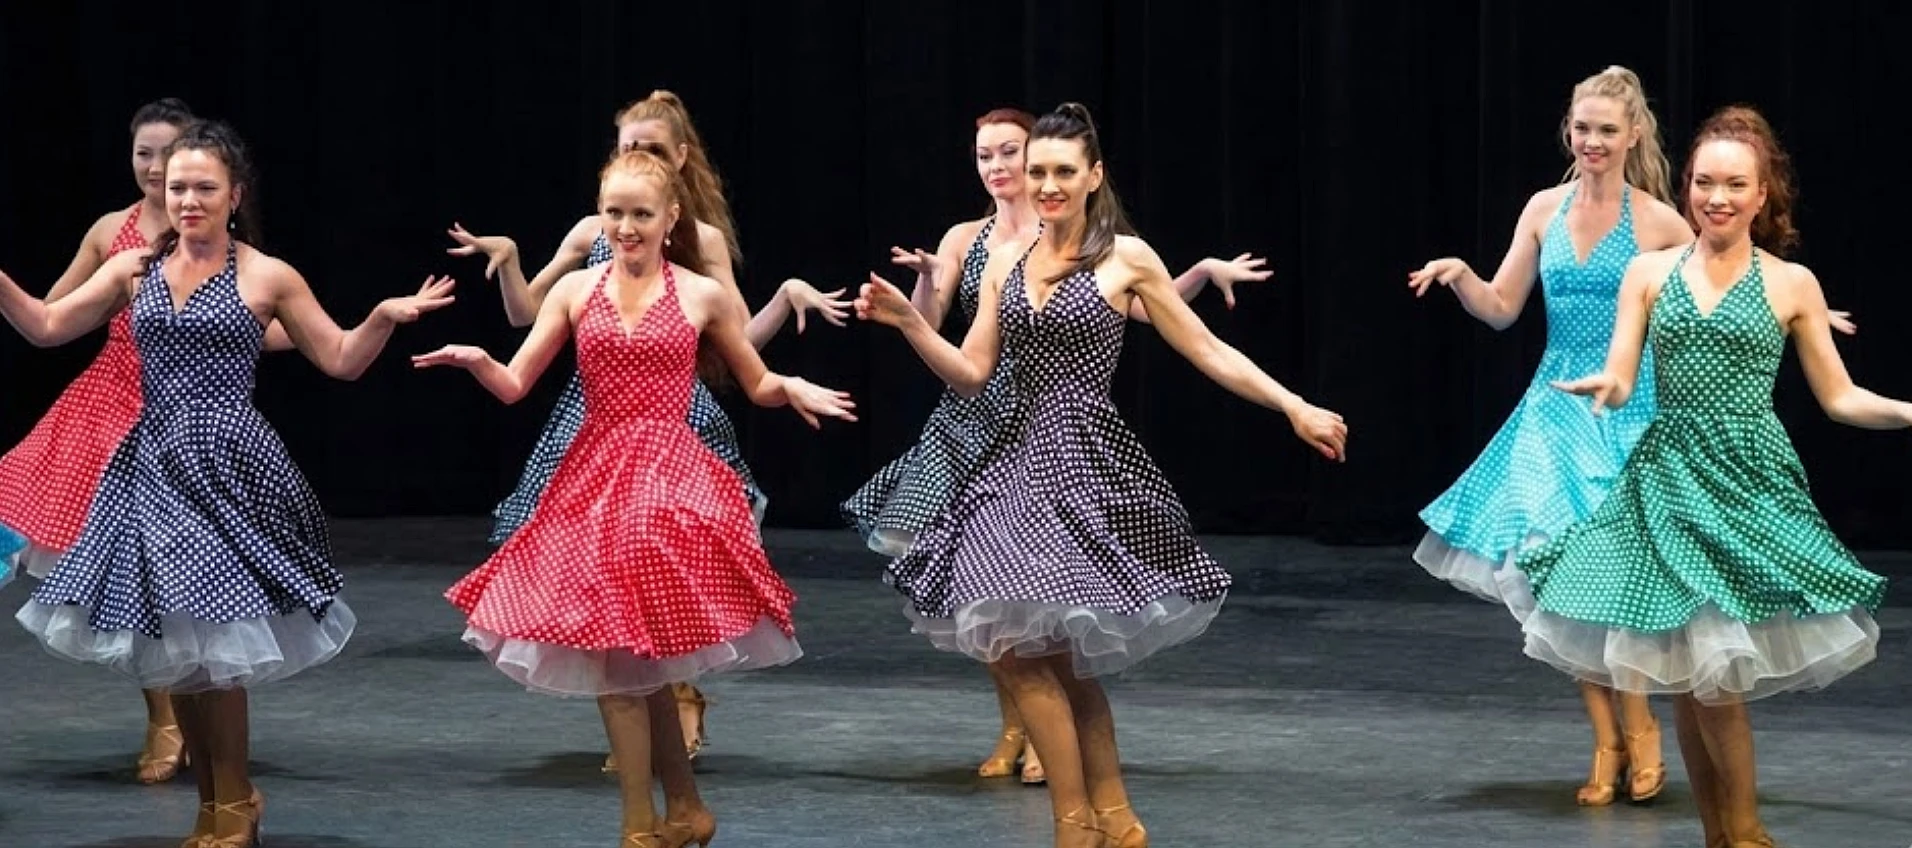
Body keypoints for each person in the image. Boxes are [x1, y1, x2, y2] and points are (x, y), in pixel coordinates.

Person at [855, 102, 1346, 848]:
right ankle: (1107, 820)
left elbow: (1208, 350)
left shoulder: (1127, 258)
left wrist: (1293, 405)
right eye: (1037, 171)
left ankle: (1085, 823)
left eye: (1061, 171)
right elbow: (971, 373)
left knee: (1048, 661)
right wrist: (915, 324)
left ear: (1093, 176)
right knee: (1027, 653)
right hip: (1005, 461)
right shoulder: (1008, 265)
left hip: (1079, 459)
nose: (1045, 185)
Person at [0, 119, 455, 848]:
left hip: (227, 466)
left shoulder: (266, 275)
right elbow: (49, 325)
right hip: (150, 463)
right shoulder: (134, 270)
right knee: (180, 642)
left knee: (218, 641)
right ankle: (213, 807)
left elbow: (339, 359)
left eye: (203, 188)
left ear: (234, 195)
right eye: (177, 187)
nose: (186, 200)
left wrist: (381, 317)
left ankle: (235, 801)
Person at [416, 147, 855, 848]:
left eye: (640, 214)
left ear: (670, 217)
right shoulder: (575, 292)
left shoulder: (700, 293)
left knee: (621, 664)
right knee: (629, 661)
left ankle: (638, 827)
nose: (625, 227)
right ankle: (684, 810)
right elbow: (516, 384)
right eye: (613, 213)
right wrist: (477, 362)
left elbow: (756, 380)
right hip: (595, 471)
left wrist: (791, 388)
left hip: (668, 476)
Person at [1516, 104, 1901, 848]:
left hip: (1747, 483)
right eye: (1702, 182)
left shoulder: (1791, 283)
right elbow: (1625, 375)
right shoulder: (1649, 270)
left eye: (1734, 184)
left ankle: (1747, 834)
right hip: (1669, 479)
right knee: (1695, 685)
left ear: (1762, 195)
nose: (1715, 197)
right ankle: (1721, 836)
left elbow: (1841, 398)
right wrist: (1607, 386)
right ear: (1687, 186)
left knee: (1715, 684)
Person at [0, 98, 297, 787]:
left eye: (172, 156)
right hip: (109, 406)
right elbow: (51, 316)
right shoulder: (118, 239)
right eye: (146, 155)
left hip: (187, 421)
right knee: (128, 570)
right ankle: (164, 717)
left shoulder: (235, 253)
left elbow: (274, 324)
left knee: (185, 582)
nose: (158, 168)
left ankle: (209, 760)